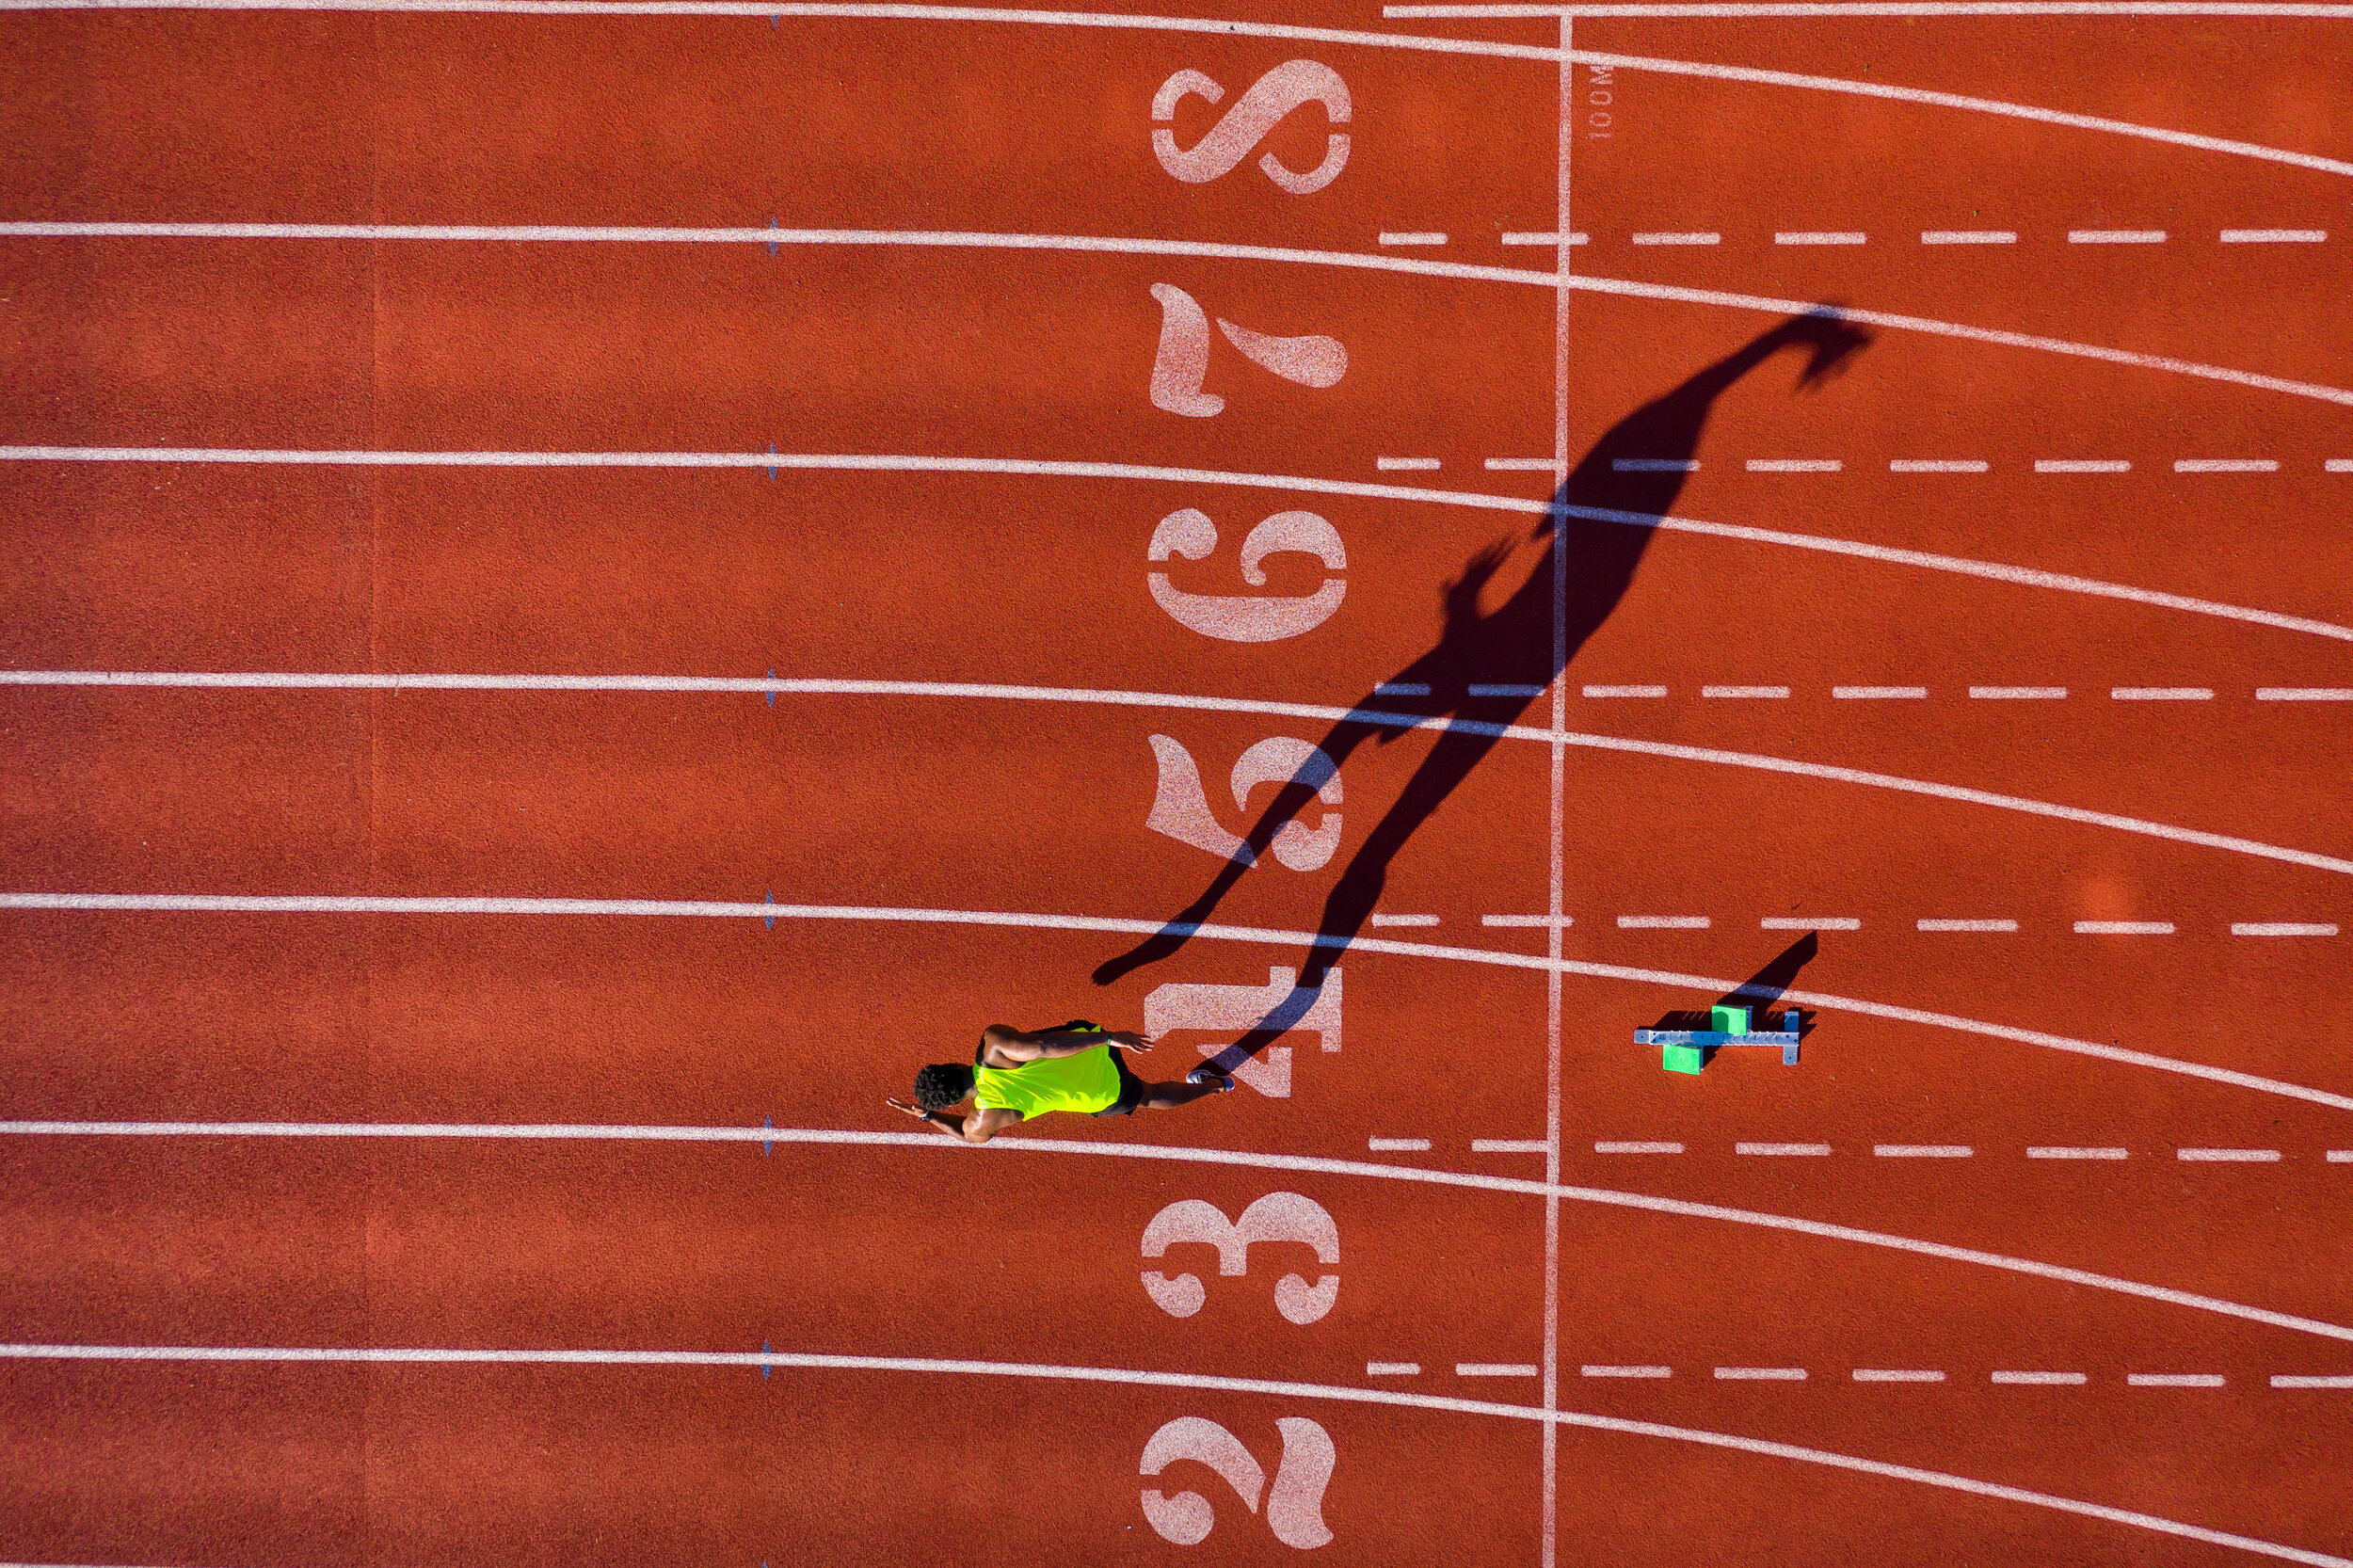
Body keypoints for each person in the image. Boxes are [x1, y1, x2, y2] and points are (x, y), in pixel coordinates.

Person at [886, 1020, 1234, 1144]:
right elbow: (1042, 1046)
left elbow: (966, 1135)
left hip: (1100, 1093)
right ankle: (1211, 1084)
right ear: (952, 1063)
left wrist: (928, 1118)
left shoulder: (983, 1117)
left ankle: (1214, 1085)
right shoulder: (992, 1047)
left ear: (953, 1103)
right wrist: (1109, 1038)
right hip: (1091, 1048)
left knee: (1150, 1096)